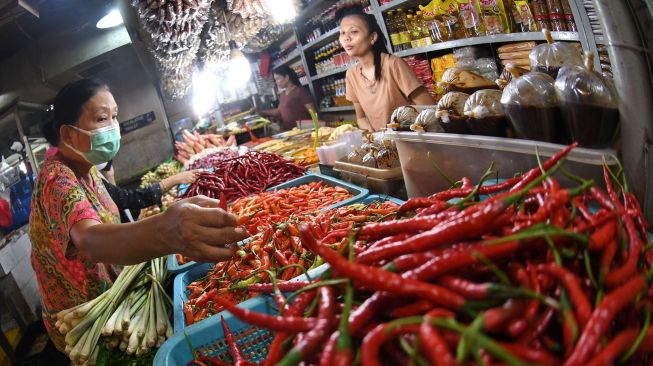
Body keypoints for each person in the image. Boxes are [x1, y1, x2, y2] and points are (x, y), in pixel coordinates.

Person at [30, 78, 247, 352]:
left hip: (117, 303)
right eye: (101, 118)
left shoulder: (88, 170)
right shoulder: (56, 179)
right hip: (85, 321)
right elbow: (88, 240)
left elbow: (119, 200)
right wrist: (168, 231)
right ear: (69, 134)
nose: (113, 127)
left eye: (114, 117)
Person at [339, 7, 435, 131]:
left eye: (354, 31)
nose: (346, 38)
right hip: (384, 144)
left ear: (372, 37)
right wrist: (380, 134)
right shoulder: (351, 75)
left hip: (412, 140)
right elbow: (361, 118)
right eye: (342, 33)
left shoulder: (392, 64)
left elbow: (429, 108)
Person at [258, 65, 316, 130]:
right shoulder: (282, 94)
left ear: (287, 77)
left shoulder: (300, 91)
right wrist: (262, 112)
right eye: (275, 79)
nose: (276, 82)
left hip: (304, 131)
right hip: (291, 132)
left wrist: (317, 130)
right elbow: (279, 111)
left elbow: (313, 112)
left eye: (278, 78)